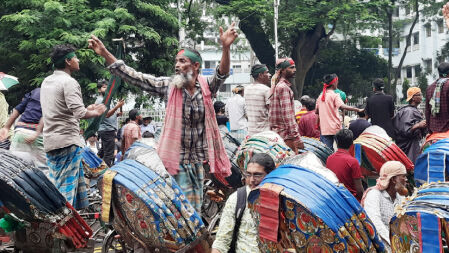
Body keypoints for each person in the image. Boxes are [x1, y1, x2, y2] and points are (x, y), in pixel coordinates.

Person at [88, 23, 237, 212]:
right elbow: (135, 77)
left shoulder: (207, 87)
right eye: (176, 61)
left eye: (182, 61)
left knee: (194, 210)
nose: (177, 65)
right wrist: (105, 53)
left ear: (196, 66)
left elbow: (221, 73)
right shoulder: (169, 86)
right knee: (183, 212)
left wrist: (225, 48)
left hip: (199, 161)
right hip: (175, 161)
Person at [40, 44, 106, 209]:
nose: (78, 60)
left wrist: (88, 109)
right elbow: (79, 113)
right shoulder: (69, 82)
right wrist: (95, 112)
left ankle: (75, 225)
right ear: (68, 61)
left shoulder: (47, 81)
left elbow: (62, 108)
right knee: (64, 191)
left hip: (50, 141)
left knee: (61, 183)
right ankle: (61, 225)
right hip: (68, 141)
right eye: (75, 57)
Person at [212, 153, 276, 253]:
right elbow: (222, 241)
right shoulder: (237, 198)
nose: (251, 180)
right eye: (248, 174)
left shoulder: (281, 201)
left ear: (271, 175)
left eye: (257, 175)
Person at [361, 161, 408, 252]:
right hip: (380, 245)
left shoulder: (400, 197)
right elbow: (375, 223)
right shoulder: (374, 195)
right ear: (393, 179)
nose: (406, 179)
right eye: (403, 176)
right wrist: (395, 244)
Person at [0, 88, 46, 166]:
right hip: (38, 136)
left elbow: (17, 110)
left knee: (12, 164)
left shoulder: (35, 91)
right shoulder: (57, 95)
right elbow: (47, 114)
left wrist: (6, 127)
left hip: (20, 132)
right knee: (44, 170)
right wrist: (37, 133)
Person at [316, 74, 362, 151]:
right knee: (342, 150)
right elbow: (342, 106)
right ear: (334, 83)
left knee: (327, 152)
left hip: (324, 129)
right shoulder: (335, 95)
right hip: (335, 128)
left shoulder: (320, 97)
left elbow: (317, 111)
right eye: (337, 81)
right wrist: (357, 109)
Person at [269, 58, 304, 153]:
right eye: (291, 68)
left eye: (295, 67)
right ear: (283, 70)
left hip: (278, 134)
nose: (295, 70)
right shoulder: (283, 87)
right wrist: (297, 138)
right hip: (286, 136)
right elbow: (287, 116)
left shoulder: (278, 85)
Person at [326, 129, 364, 201]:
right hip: (350, 200)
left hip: (334, 197)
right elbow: (359, 190)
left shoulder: (329, 159)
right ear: (351, 143)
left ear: (336, 142)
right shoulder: (353, 162)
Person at [95, 80, 124, 167]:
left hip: (107, 129)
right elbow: (107, 115)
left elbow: (110, 114)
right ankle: (105, 173)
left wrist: (117, 113)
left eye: (108, 87)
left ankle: (94, 165)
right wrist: (117, 107)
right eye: (104, 87)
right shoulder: (101, 101)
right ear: (99, 90)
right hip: (107, 130)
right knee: (109, 154)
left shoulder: (108, 100)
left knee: (103, 151)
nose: (107, 89)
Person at [394, 87, 426, 163]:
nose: (421, 96)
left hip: (412, 143)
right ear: (413, 98)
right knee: (410, 165)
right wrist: (418, 125)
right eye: (419, 94)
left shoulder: (412, 110)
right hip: (408, 145)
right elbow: (405, 130)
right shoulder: (409, 111)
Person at [244, 64, 271, 136]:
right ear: (260, 75)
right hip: (265, 134)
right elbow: (272, 112)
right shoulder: (266, 90)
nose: (270, 75)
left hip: (251, 133)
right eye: (267, 72)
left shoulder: (247, 89)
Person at [426, 62, 449, 135]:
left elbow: (427, 111)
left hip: (434, 132)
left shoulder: (429, 88)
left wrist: (429, 129)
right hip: (447, 132)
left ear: (439, 73)